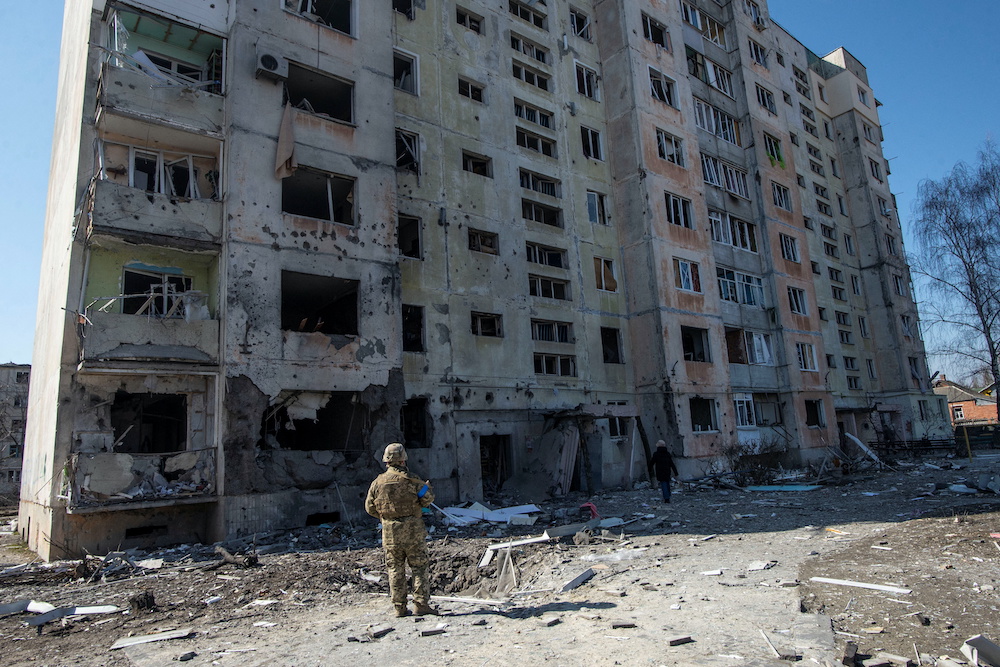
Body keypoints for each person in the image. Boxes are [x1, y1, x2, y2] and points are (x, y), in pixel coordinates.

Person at [365, 442, 438, 617]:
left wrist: (387, 518)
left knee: (395, 568)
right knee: (419, 567)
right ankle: (420, 604)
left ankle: (399, 607)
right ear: (403, 460)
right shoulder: (412, 480)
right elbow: (428, 499)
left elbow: (369, 507)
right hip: (413, 532)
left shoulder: (377, 483)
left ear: (386, 461)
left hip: (390, 534)